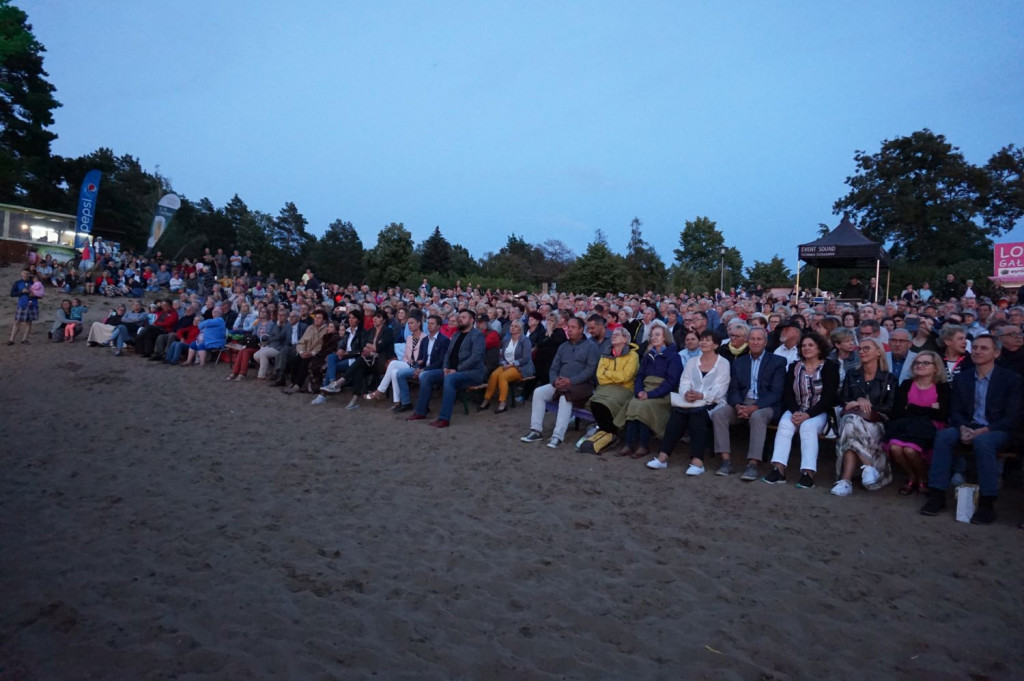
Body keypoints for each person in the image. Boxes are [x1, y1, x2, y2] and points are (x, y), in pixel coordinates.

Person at [920, 335, 1022, 524]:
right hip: (968, 426)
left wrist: (984, 430)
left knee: (984, 442)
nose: (977, 351)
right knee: (944, 436)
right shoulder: (964, 378)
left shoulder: (1011, 380)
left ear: (997, 353)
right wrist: (962, 427)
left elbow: (1012, 417)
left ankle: (987, 502)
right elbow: (955, 410)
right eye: (974, 347)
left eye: (984, 348)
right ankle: (937, 495)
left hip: (997, 430)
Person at [763, 332, 840, 488]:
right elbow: (788, 393)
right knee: (785, 425)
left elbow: (829, 397)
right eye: (803, 345)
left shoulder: (830, 367)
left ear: (819, 348)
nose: (806, 348)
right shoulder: (794, 367)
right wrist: (796, 411)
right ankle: (778, 469)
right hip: (797, 409)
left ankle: (808, 472)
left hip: (819, 411)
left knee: (808, 427)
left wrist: (808, 414)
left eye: (811, 345)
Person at [647, 330, 730, 474]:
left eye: (708, 340)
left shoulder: (723, 363)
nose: (703, 342)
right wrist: (686, 393)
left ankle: (697, 462)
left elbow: (720, 389)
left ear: (716, 345)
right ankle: (662, 457)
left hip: (713, 403)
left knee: (698, 417)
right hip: (691, 401)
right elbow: (684, 381)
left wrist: (701, 395)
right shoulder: (693, 362)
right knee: (677, 416)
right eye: (702, 339)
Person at [710, 326, 787, 480]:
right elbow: (733, 389)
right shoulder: (740, 362)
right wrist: (738, 405)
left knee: (757, 416)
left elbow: (776, 392)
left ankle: (753, 463)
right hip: (742, 403)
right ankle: (726, 461)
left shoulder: (777, 361)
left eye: (759, 339)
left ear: (765, 342)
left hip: (765, 405)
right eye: (752, 339)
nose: (755, 342)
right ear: (747, 341)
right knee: (719, 414)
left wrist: (754, 407)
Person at [830, 338, 898, 497]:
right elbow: (844, 400)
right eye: (860, 349)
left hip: (877, 421)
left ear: (878, 352)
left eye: (866, 348)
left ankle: (845, 481)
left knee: (849, 427)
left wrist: (868, 405)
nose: (861, 351)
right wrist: (857, 401)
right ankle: (868, 467)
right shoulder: (852, 374)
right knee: (850, 421)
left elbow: (891, 408)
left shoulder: (889, 378)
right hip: (852, 420)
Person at [520, 316, 600, 448]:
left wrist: (571, 381)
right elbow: (554, 367)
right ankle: (536, 430)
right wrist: (554, 380)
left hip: (582, 385)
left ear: (581, 329)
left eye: (573, 327)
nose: (569, 330)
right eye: (568, 327)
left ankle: (557, 436)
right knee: (539, 392)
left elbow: (590, 370)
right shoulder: (563, 347)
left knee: (565, 396)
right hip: (561, 382)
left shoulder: (591, 347)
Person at [883, 350, 950, 495]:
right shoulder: (907, 384)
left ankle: (922, 478)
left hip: (928, 428)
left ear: (936, 367)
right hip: (905, 425)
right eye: (917, 363)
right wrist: (929, 409)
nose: (920, 365)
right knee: (895, 448)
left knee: (910, 450)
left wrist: (912, 407)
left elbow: (942, 414)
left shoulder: (942, 387)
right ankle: (911, 476)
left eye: (926, 363)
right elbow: (898, 411)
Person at [614, 322, 682, 458]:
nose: (654, 337)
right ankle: (629, 443)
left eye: (658, 335)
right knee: (634, 403)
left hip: (662, 394)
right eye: (652, 335)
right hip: (646, 389)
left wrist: (650, 394)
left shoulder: (674, 356)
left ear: (665, 338)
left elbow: (671, 382)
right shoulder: (648, 355)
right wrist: (639, 391)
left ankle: (643, 445)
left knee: (644, 406)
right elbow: (640, 375)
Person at [407, 309, 486, 428]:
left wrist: (457, 369)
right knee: (427, 376)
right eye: (460, 317)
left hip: (471, 373)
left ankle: (444, 418)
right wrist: (445, 368)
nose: (460, 319)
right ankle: (421, 412)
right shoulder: (457, 334)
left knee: (450, 379)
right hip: (451, 370)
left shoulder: (477, 335)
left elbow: (475, 357)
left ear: (471, 320)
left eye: (463, 317)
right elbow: (447, 355)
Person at [584, 326, 639, 449]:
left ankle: (610, 432)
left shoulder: (632, 356)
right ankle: (607, 432)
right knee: (594, 402)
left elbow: (626, 377)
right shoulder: (606, 353)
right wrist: (613, 377)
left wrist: (607, 373)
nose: (613, 335)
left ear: (625, 339)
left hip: (624, 390)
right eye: (613, 333)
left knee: (606, 403)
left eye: (618, 334)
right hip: (606, 388)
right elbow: (600, 376)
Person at [365, 310, 427, 410]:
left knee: (393, 363)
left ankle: (380, 390)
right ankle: (398, 402)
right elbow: (406, 356)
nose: (409, 325)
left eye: (412, 323)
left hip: (417, 365)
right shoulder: (409, 338)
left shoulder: (425, 338)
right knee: (394, 372)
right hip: (407, 363)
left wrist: (412, 361)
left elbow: (423, 357)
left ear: (419, 323)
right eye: (408, 323)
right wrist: (407, 361)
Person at [391, 314, 450, 413]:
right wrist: (418, 367)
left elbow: (442, 361)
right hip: (423, 367)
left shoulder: (444, 340)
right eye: (428, 323)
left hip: (437, 369)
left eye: (432, 324)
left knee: (423, 375)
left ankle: (424, 405)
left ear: (439, 326)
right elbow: (421, 358)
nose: (429, 326)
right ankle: (406, 403)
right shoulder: (425, 340)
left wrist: (423, 369)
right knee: (400, 373)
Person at [479, 319, 534, 413]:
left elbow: (526, 358)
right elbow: (501, 355)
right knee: (493, 375)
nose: (512, 328)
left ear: (520, 329)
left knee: (503, 376)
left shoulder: (525, 341)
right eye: (512, 326)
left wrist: (512, 365)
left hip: (520, 367)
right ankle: (486, 400)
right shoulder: (506, 340)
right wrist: (504, 363)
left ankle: (502, 403)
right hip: (507, 365)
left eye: (515, 326)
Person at [226, 307, 276, 381]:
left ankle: (242, 373)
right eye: (261, 311)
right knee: (242, 350)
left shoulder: (270, 323)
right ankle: (234, 372)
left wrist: (259, 339)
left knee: (246, 351)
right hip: (255, 344)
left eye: (264, 312)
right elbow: (253, 334)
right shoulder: (258, 322)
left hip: (264, 345)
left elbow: (268, 335)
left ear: (268, 314)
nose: (262, 313)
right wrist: (255, 326)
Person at [533, 312, 567, 387]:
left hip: (552, 360)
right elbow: (539, 344)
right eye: (548, 320)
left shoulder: (560, 332)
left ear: (556, 322)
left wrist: (550, 331)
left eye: (552, 321)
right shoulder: (542, 333)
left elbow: (555, 342)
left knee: (546, 372)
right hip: (540, 360)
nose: (549, 322)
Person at [8, 270, 41, 345]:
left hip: (32, 304)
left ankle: (24, 339)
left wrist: (33, 294)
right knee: (17, 321)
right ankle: (11, 340)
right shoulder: (18, 283)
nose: (25, 274)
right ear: (21, 274)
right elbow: (12, 294)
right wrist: (21, 292)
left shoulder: (34, 283)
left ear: (29, 274)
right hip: (22, 304)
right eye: (24, 273)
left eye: (27, 273)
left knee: (29, 322)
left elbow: (40, 294)